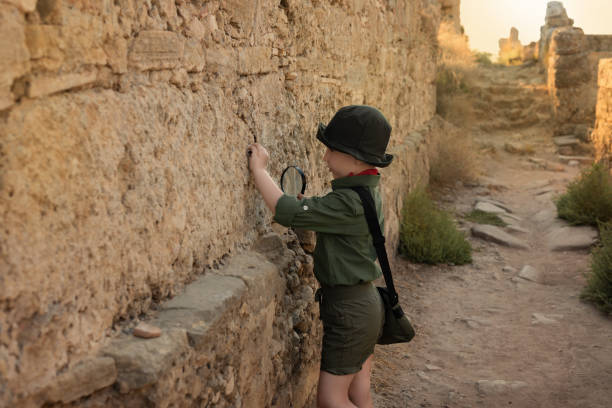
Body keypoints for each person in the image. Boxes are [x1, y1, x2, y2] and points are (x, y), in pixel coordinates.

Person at [247, 105, 394, 408]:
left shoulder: (347, 201)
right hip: (367, 306)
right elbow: (335, 216)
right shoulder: (364, 194)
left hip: (350, 312)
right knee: (358, 393)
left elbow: (284, 211)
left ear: (353, 158)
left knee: (330, 399)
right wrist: (313, 209)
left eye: (330, 150)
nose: (325, 158)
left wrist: (259, 170)